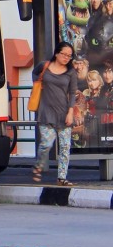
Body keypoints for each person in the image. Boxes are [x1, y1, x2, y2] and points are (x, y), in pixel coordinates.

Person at [31, 41, 77, 186]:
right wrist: (37, 84)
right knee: (47, 142)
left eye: (69, 56)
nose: (66, 58)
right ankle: (38, 165)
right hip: (46, 112)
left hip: (63, 113)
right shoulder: (44, 66)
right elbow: (34, 73)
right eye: (64, 54)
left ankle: (61, 178)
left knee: (64, 146)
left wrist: (70, 112)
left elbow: (72, 93)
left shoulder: (71, 72)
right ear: (57, 53)